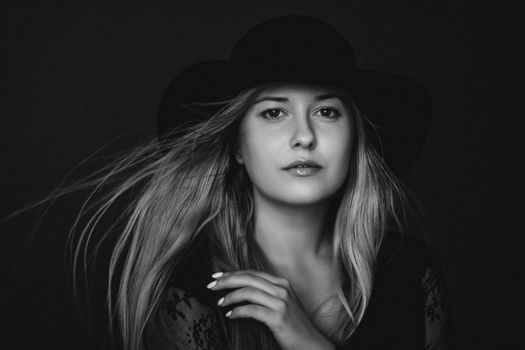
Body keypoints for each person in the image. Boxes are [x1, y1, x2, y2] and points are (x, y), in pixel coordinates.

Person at [60, 15, 448, 350]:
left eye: (327, 111)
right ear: (237, 147)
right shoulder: (193, 288)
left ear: (356, 139)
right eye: (274, 112)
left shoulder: (410, 272)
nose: (305, 136)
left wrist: (307, 342)